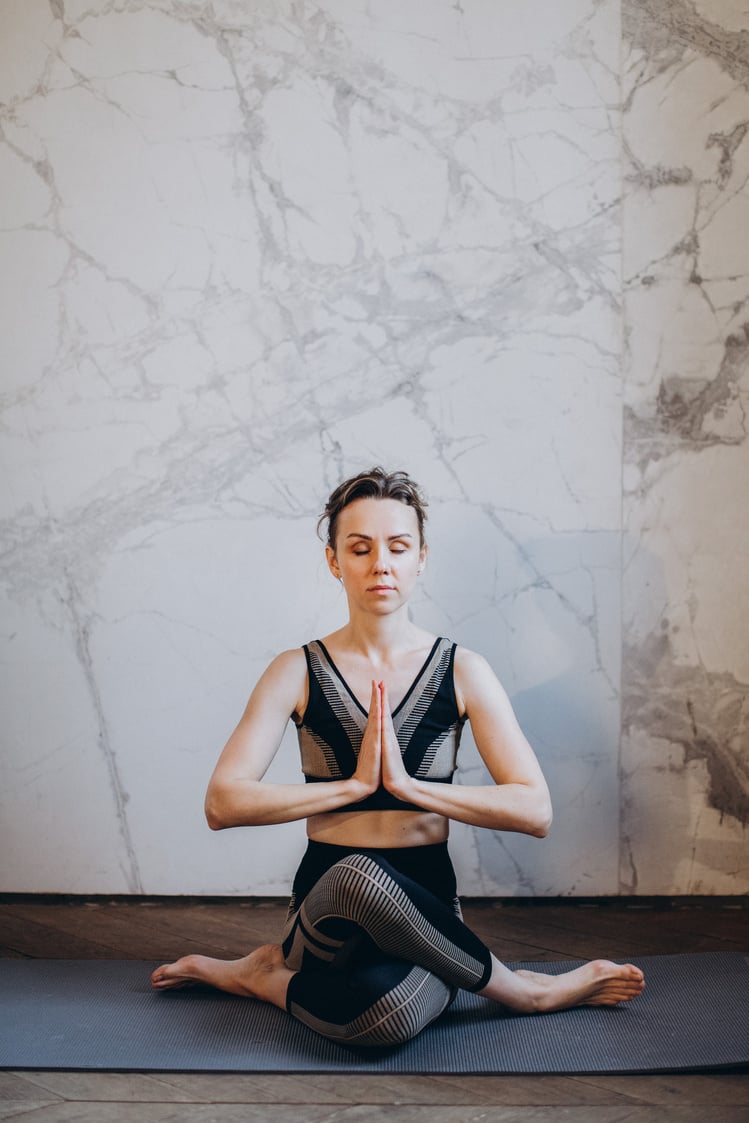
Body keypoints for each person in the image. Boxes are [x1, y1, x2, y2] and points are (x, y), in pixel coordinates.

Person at [152, 467, 644, 1045]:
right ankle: (526, 990)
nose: (380, 563)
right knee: (360, 874)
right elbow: (222, 802)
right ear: (335, 561)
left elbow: (534, 810)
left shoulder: (463, 670)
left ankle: (262, 978)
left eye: (398, 547)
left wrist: (410, 788)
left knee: (386, 1020)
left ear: (421, 559)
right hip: (328, 909)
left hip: (431, 913)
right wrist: (353, 788)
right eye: (360, 548)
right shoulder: (296, 670)